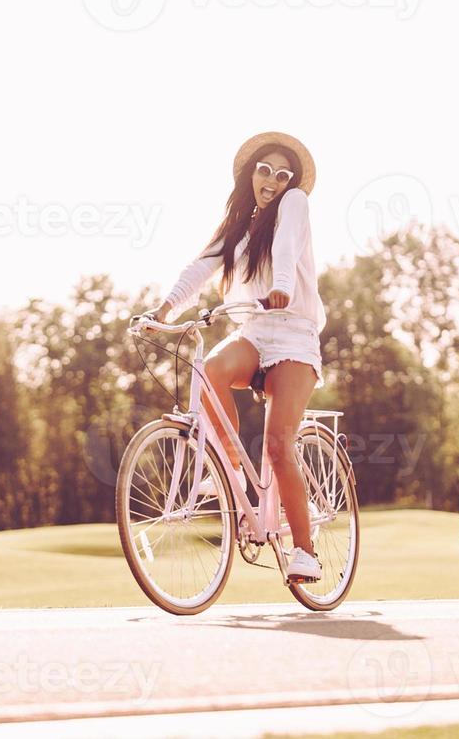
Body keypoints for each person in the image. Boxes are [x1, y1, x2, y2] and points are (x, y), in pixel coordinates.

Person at [146, 132, 326, 584]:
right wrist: (163, 310)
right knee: (209, 373)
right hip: (255, 330)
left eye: (283, 174)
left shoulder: (295, 204)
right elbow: (201, 265)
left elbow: (286, 244)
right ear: (250, 174)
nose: (273, 180)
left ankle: (305, 552)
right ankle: (233, 477)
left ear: (292, 182)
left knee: (278, 444)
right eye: (265, 170)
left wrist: (282, 284)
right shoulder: (239, 224)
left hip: (295, 335)